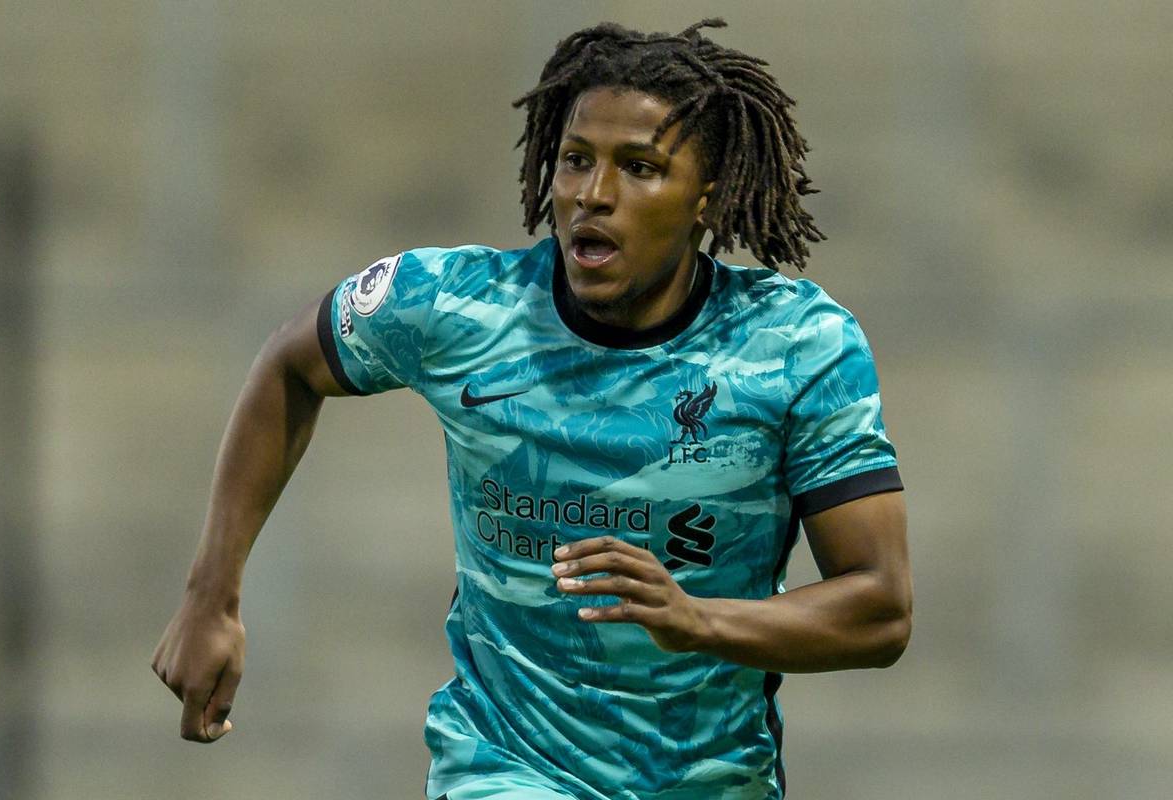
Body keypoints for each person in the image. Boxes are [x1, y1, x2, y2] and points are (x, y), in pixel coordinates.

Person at [152, 18, 912, 800]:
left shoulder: (796, 346)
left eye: (640, 168)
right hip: (503, 767)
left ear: (706, 194)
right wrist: (211, 597)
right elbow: (290, 364)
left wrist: (697, 621)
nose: (594, 194)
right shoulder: (454, 306)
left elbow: (880, 608)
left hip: (713, 779)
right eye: (576, 160)